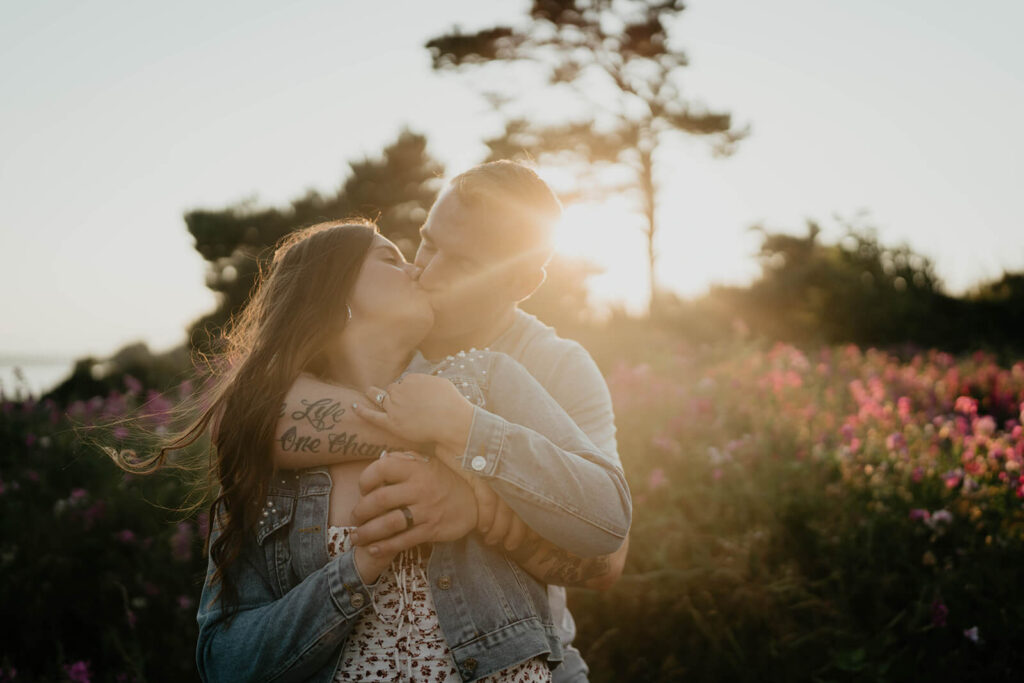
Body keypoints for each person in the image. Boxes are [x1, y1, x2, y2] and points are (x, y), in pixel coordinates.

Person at [136, 220, 631, 681]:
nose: (417, 267)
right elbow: (225, 661)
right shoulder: (268, 441)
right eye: (391, 259)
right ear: (335, 293)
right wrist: (356, 568)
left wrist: (468, 433)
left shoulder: (489, 381)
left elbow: (608, 517)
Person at [275, 161, 631, 682]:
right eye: (427, 242)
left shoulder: (555, 365)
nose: (428, 270)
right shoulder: (386, 322)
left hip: (530, 657)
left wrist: (478, 504)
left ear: (523, 282)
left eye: (462, 264)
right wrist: (428, 431)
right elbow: (249, 416)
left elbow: (607, 560)